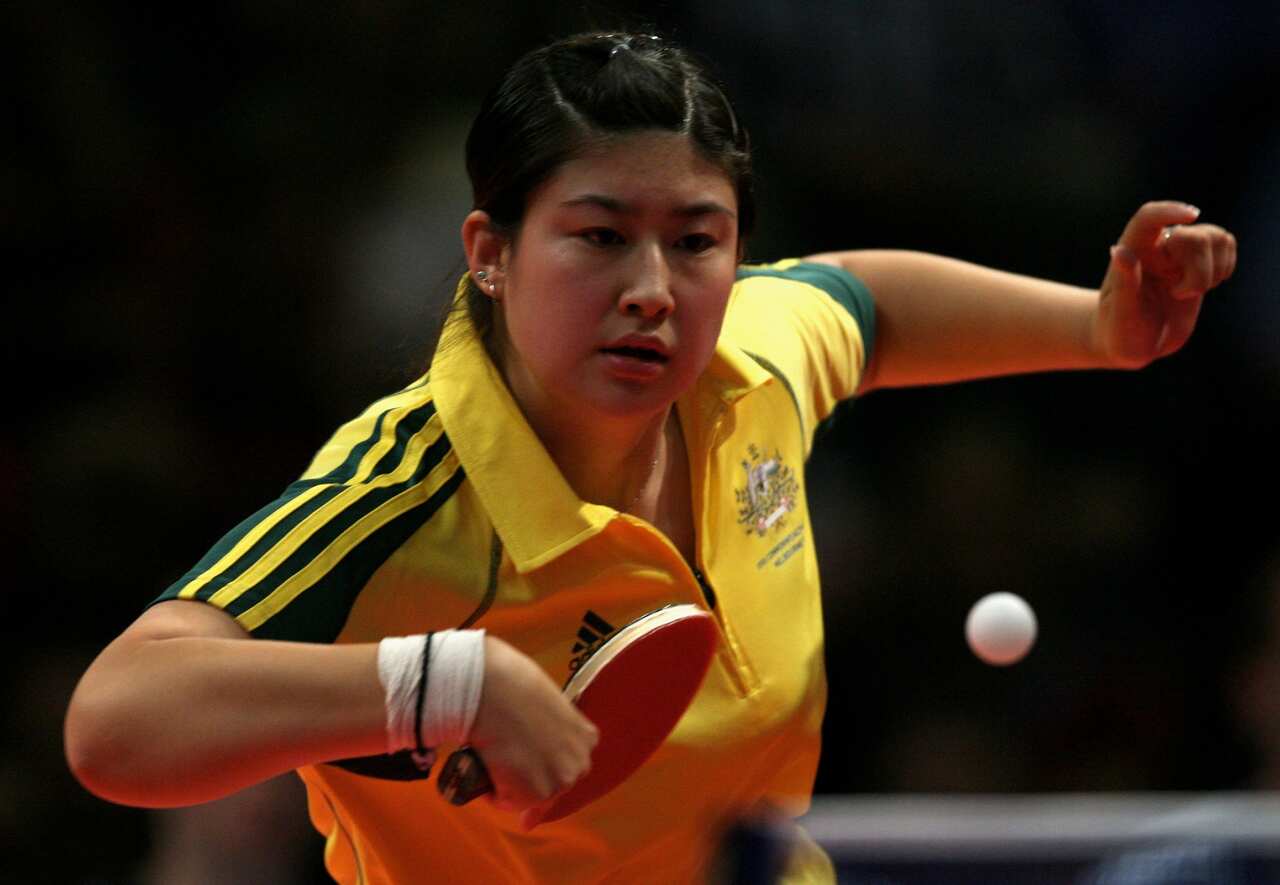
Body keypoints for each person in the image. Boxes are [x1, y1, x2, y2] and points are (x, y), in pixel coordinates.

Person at [63, 31, 1237, 885]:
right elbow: (118, 719)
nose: (650, 292)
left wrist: (1097, 327)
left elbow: (861, 305)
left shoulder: (746, 362)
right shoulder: (406, 492)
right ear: (489, 250)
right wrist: (441, 682)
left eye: (694, 242)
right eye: (596, 236)